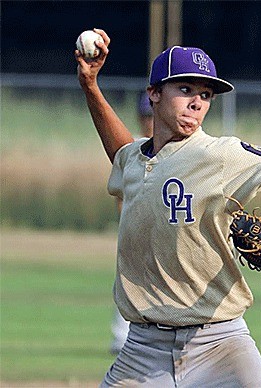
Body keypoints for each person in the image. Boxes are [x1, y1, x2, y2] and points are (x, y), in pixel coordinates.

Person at [76, 29, 261, 387]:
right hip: (142, 351)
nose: (197, 102)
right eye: (185, 90)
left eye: (206, 94)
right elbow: (123, 154)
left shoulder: (221, 155)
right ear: (154, 95)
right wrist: (90, 85)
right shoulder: (133, 159)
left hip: (221, 343)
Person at [109, 91, 154, 355]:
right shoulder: (131, 148)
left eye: (152, 115)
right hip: (136, 229)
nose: (150, 121)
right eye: (146, 116)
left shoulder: (179, 149)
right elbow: (120, 194)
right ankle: (120, 338)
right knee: (128, 281)